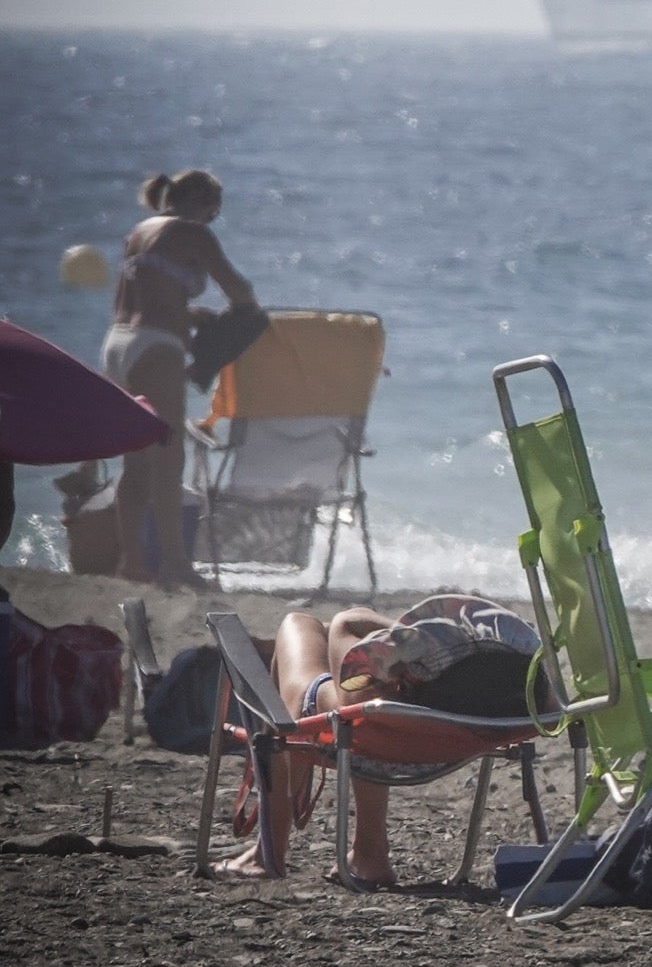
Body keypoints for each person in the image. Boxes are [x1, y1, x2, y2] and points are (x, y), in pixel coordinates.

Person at [215, 595, 546, 885]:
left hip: (340, 725)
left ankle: (267, 853)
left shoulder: (376, 689)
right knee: (367, 708)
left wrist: (423, 637)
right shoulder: (503, 705)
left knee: (298, 623)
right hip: (443, 736)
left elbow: (348, 622)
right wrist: (459, 654)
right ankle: (368, 852)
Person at [102, 170, 256, 587]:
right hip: (158, 349)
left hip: (118, 344)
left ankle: (131, 561)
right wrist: (242, 315)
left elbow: (141, 296)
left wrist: (187, 313)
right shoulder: (195, 233)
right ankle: (175, 564)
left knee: (135, 462)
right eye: (215, 212)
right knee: (169, 460)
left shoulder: (141, 230)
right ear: (207, 205)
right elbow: (238, 290)